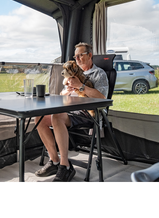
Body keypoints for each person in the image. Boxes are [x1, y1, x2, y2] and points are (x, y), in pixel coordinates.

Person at [35, 42, 109, 184]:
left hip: (88, 114)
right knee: (40, 118)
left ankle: (65, 166)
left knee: (57, 117)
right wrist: (67, 91)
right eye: (76, 56)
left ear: (90, 55)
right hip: (69, 109)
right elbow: (62, 94)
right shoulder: (72, 73)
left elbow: (102, 98)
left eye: (81, 55)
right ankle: (54, 161)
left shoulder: (99, 74)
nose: (78, 58)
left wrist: (80, 86)